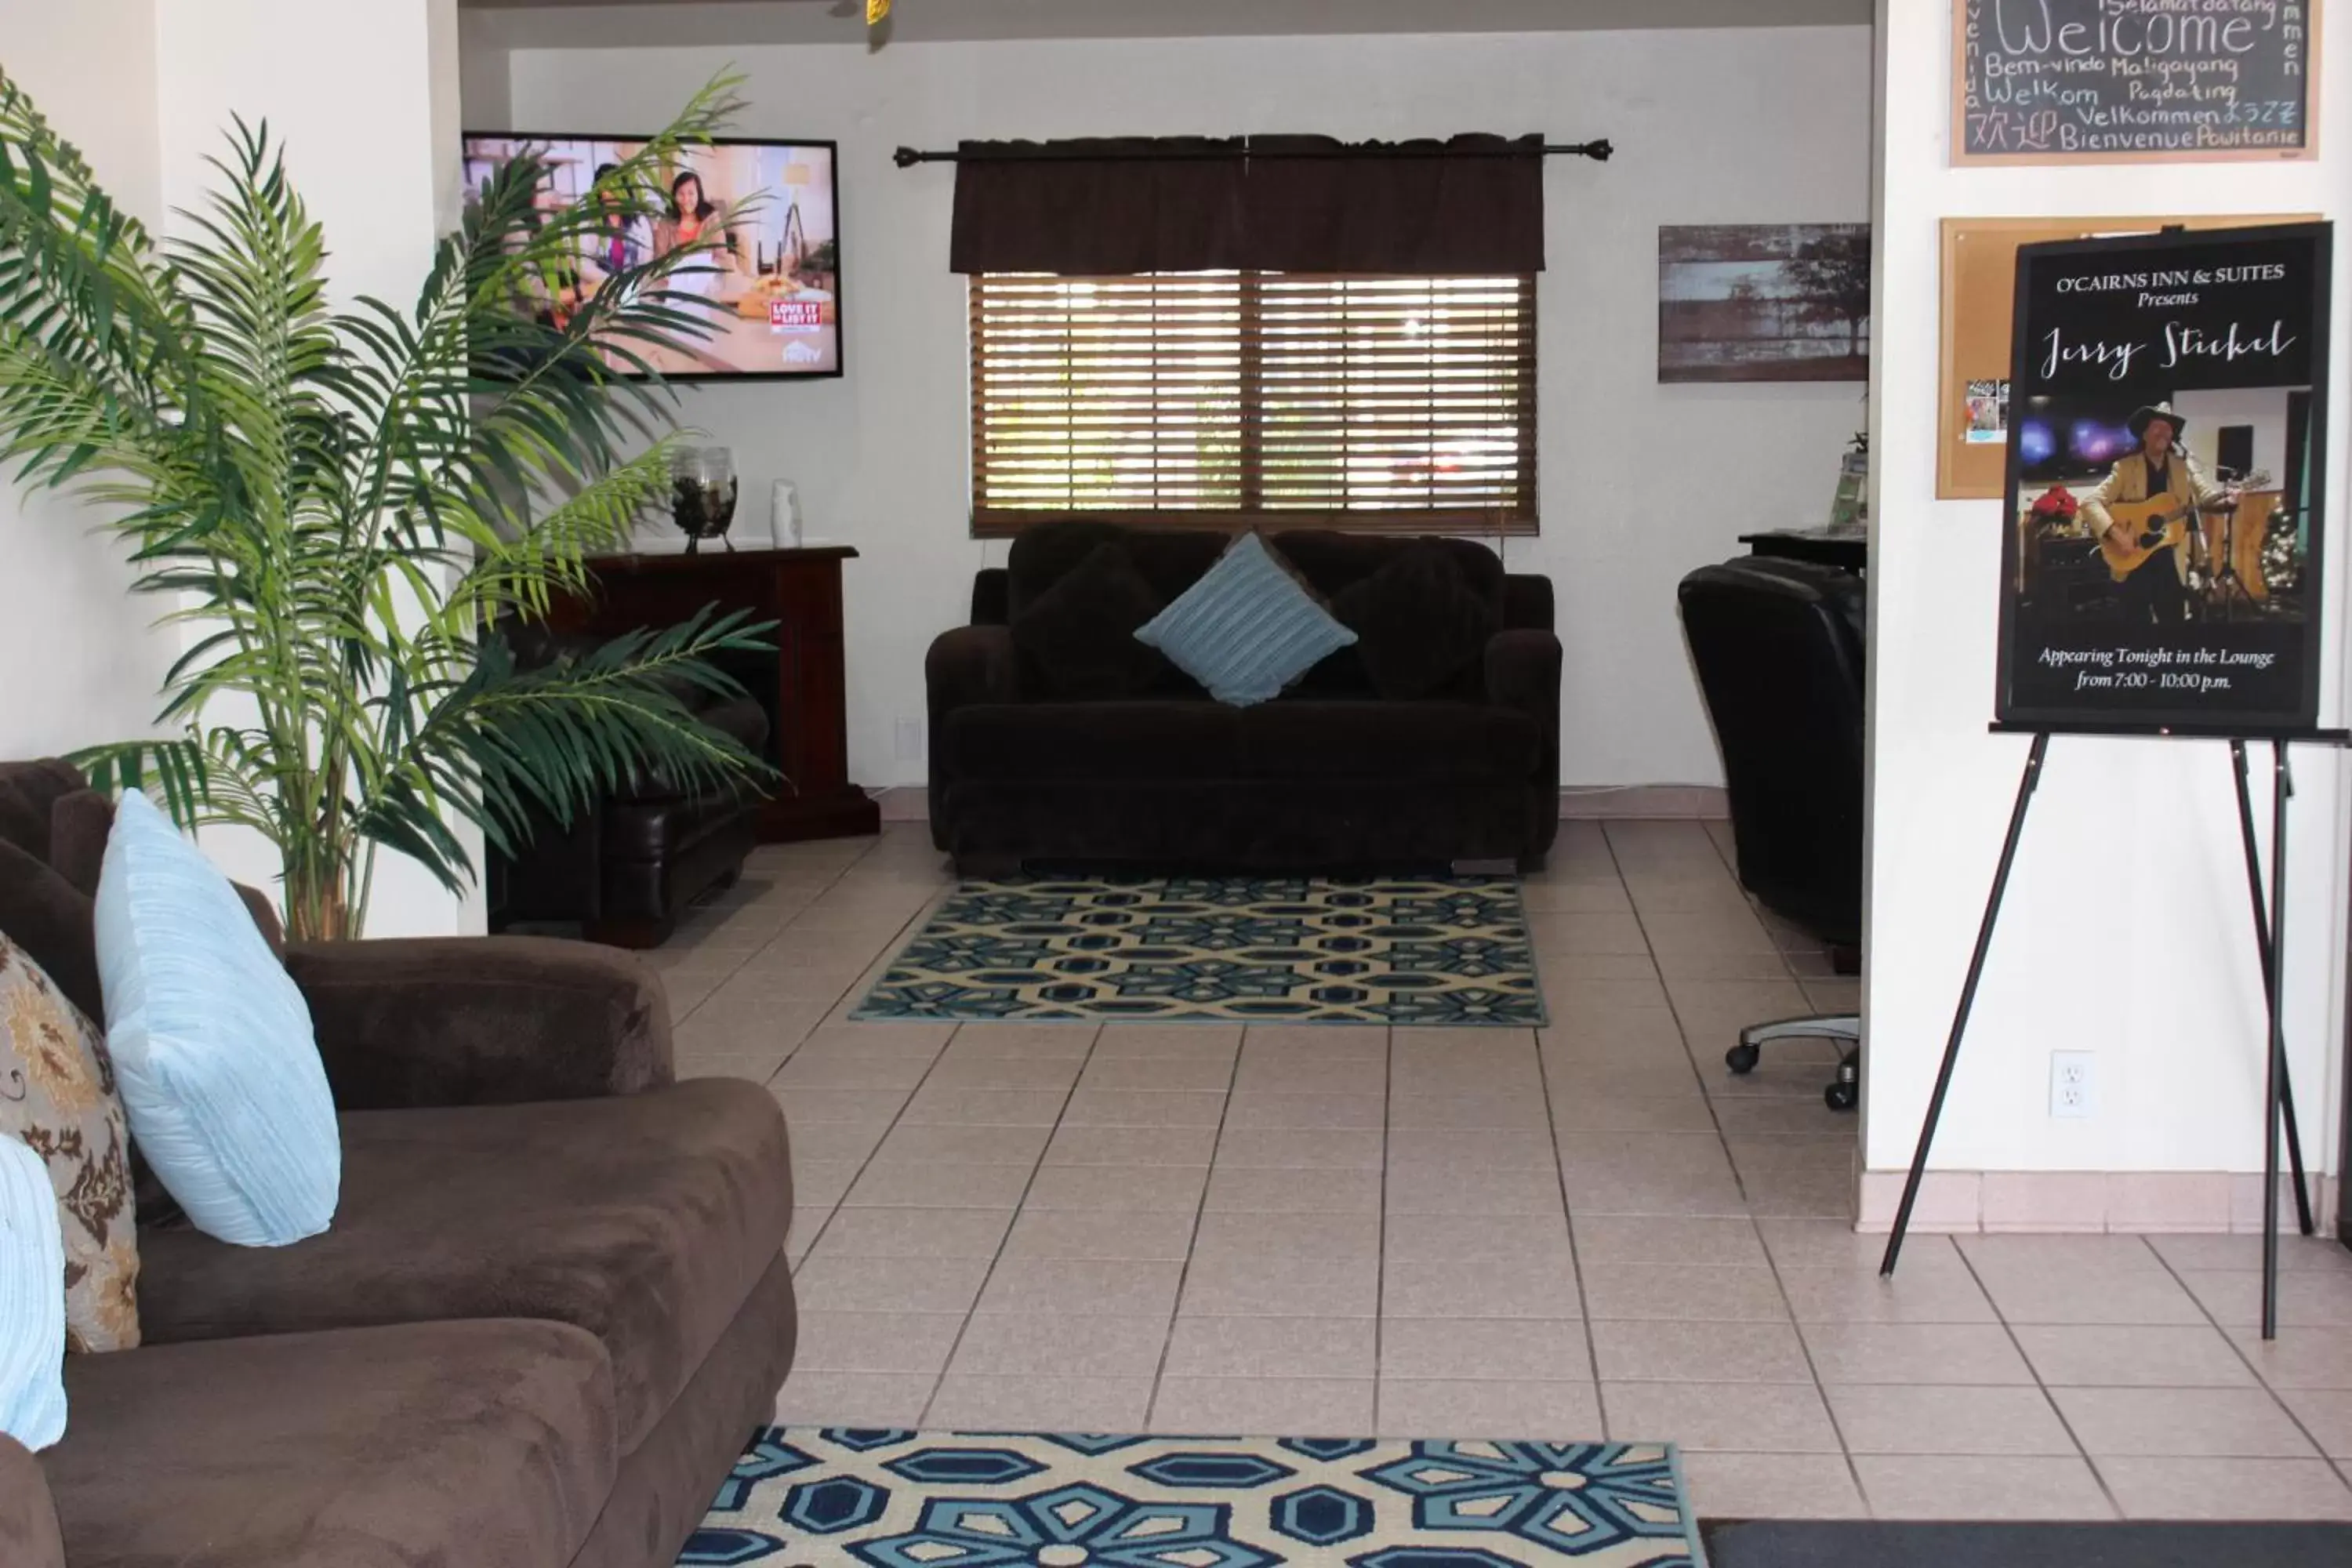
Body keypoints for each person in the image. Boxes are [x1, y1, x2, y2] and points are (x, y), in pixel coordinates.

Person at [2079, 401, 2234, 625]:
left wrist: (2229, 502)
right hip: (2132, 559)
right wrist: (2116, 533)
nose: (2163, 432)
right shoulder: (2124, 468)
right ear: (2145, 434)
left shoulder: (2184, 467)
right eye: (2157, 427)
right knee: (2135, 626)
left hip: (2169, 560)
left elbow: (2207, 498)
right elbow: (2090, 503)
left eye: (2168, 428)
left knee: (2174, 623)